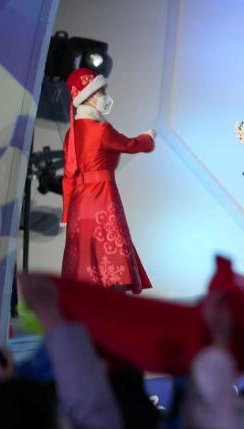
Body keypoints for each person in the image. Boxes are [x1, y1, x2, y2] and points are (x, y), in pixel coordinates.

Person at [61, 67, 156, 294]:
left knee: (85, 266)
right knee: (113, 266)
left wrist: (66, 213)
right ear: (87, 96)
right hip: (102, 199)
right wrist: (148, 138)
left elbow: (68, 176)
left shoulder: (70, 133)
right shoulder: (100, 129)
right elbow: (130, 145)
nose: (104, 95)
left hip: (79, 206)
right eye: (100, 91)